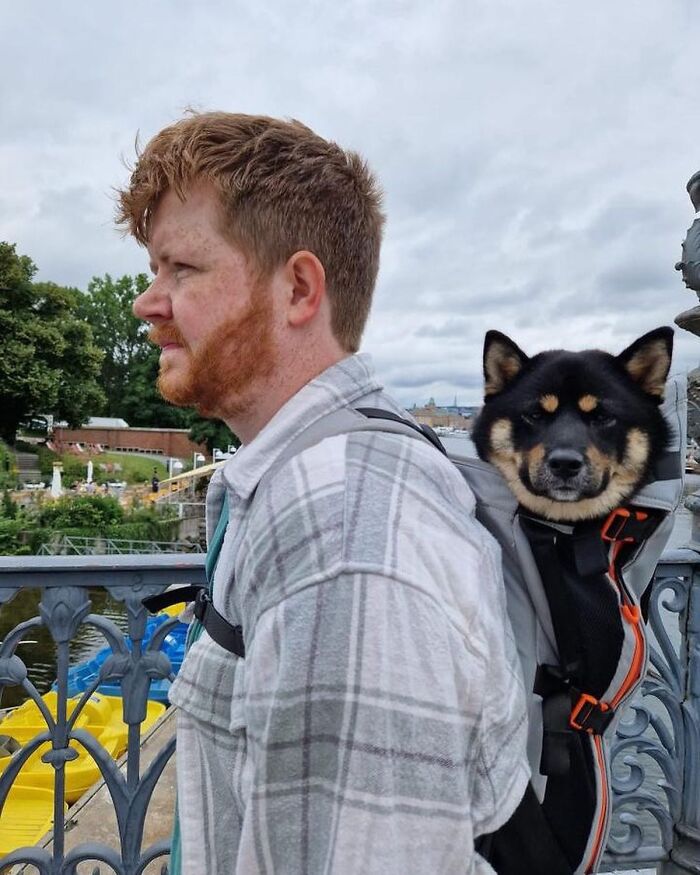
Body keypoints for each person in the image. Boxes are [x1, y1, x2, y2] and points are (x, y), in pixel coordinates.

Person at [118, 112, 528, 874]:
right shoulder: (300, 481)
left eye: (182, 269)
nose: (147, 301)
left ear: (300, 288)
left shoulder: (344, 536)